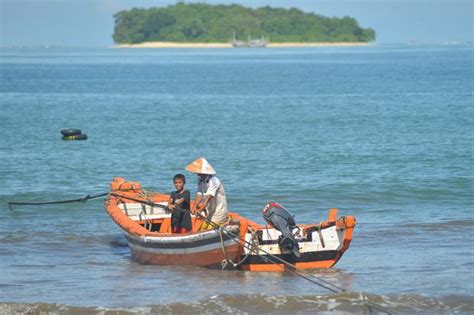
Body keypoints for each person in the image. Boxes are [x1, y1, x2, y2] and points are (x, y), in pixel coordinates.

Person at [185, 157, 229, 230]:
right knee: (203, 229)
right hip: (211, 211)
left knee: (210, 229)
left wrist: (200, 210)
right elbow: (199, 195)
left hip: (219, 212)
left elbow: (208, 198)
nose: (197, 174)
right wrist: (194, 207)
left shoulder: (214, 181)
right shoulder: (200, 180)